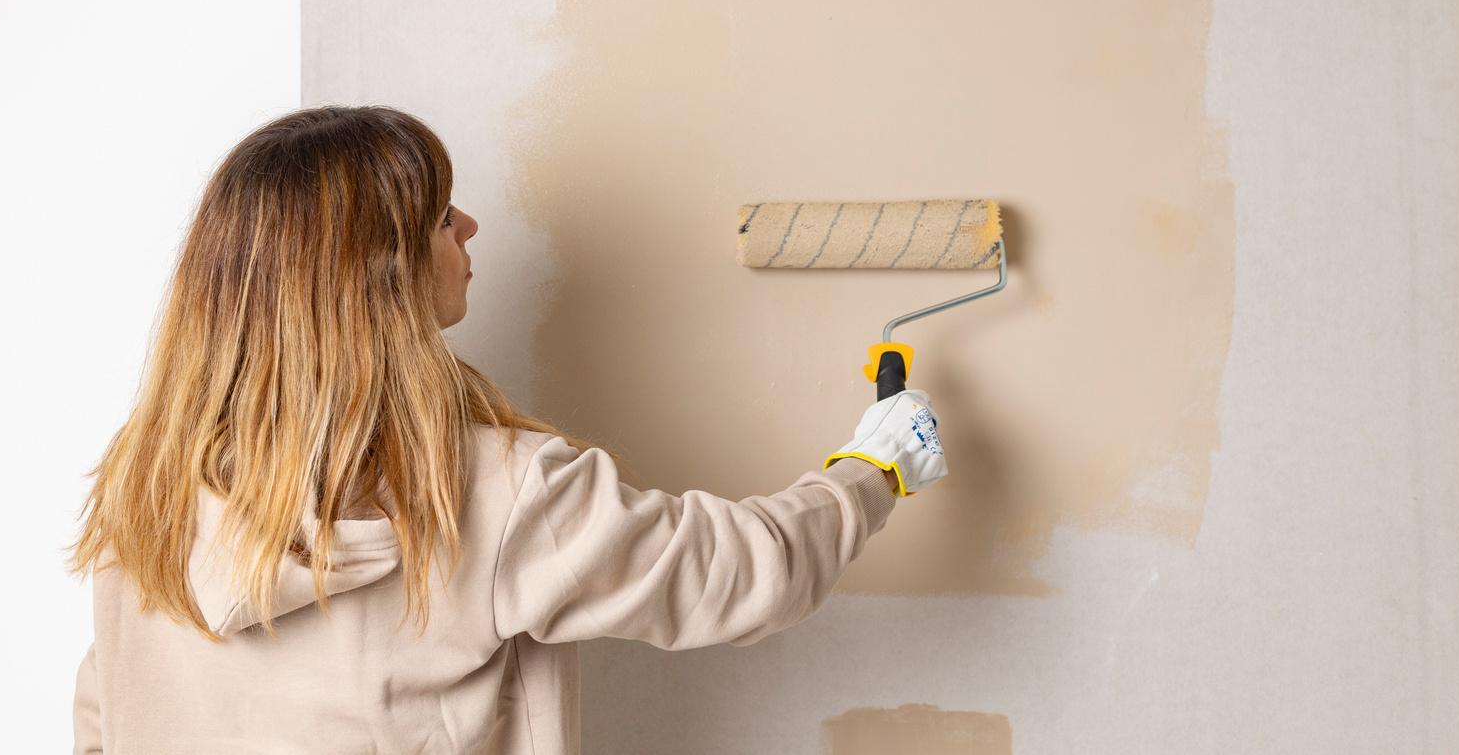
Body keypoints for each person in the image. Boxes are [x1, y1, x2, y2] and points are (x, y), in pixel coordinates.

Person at [69, 105, 946, 755]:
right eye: (441, 212)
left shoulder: (148, 485)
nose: (470, 225)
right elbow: (738, 574)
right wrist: (874, 466)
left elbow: (103, 716)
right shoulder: (484, 493)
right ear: (382, 271)